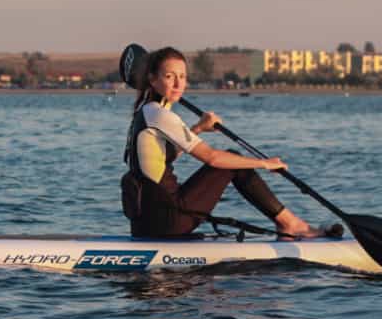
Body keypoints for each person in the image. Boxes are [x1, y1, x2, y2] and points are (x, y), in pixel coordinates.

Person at [124, 46, 337, 240]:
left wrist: (198, 128)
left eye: (183, 76)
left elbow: (161, 158)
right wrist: (264, 163)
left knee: (233, 159)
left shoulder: (146, 113)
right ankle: (290, 224)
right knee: (232, 160)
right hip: (168, 220)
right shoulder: (160, 115)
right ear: (153, 80)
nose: (179, 84)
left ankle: (290, 223)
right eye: (170, 77)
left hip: (146, 223)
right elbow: (212, 158)